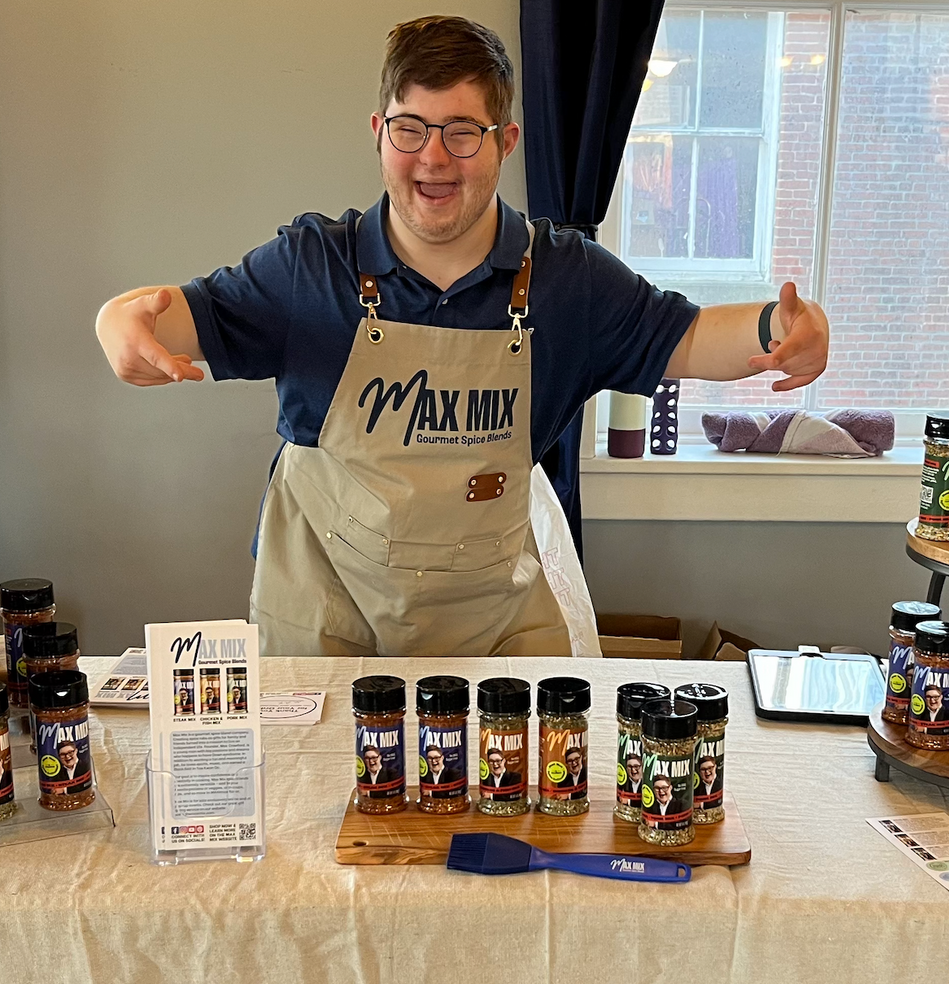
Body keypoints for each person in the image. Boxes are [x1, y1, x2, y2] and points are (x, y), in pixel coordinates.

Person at [93, 15, 830, 658]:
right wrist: (118, 321)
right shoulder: (310, 267)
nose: (434, 158)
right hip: (323, 612)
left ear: (505, 140)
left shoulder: (564, 278)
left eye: (462, 133)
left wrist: (784, 326)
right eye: (411, 128)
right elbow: (178, 317)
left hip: (491, 625)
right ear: (381, 133)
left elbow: (693, 335)